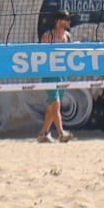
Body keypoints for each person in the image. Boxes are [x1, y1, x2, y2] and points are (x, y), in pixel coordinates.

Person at [37, 12, 73, 143]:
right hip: (49, 74)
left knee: (52, 106)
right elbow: (40, 56)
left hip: (62, 74)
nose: (70, 22)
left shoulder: (67, 37)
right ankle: (61, 133)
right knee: (56, 104)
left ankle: (43, 134)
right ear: (58, 21)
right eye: (67, 19)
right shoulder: (47, 36)